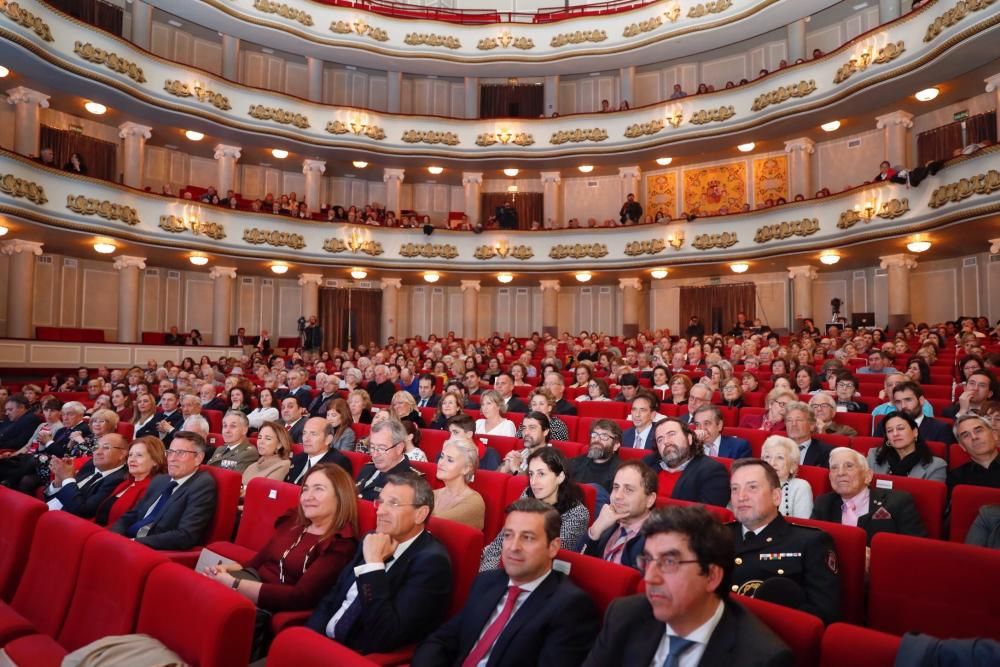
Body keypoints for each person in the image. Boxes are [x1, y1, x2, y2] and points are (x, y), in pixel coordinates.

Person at [583, 505, 793, 667]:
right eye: (647, 560)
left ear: (711, 576)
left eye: (669, 562)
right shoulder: (624, 615)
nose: (650, 578)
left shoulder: (762, 659)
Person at [413, 498, 599, 667]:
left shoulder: (570, 607)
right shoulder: (487, 582)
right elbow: (441, 641)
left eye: (527, 538)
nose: (513, 547)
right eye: (508, 535)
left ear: (553, 547)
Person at [204, 464, 359, 656]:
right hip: (249, 582)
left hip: (269, 603)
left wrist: (234, 583)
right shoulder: (294, 520)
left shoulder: (340, 543)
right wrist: (224, 570)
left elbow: (300, 596)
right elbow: (256, 562)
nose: (308, 497)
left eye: (318, 489)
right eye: (306, 489)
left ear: (340, 495)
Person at [306, 474, 452, 654]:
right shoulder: (372, 538)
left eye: (393, 504)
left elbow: (386, 634)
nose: (380, 511)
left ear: (420, 514)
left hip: (354, 655)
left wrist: (374, 565)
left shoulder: (431, 563)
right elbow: (333, 597)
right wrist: (308, 641)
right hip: (319, 645)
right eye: (380, 502)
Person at [728, 458, 840, 625]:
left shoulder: (811, 542)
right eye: (735, 489)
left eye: (752, 487)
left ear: (776, 497)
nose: (741, 497)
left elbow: (823, 616)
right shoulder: (716, 534)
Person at [481, 447, 589, 571]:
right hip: (508, 567)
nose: (533, 482)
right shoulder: (528, 494)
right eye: (531, 474)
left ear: (560, 477)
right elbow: (502, 539)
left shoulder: (577, 514)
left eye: (541, 474)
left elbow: (547, 555)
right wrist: (486, 574)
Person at [110, 431, 217, 550]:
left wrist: (134, 543)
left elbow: (185, 535)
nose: (172, 458)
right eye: (170, 452)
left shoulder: (202, 485)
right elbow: (133, 514)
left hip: (151, 550)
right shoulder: (160, 480)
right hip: (127, 541)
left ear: (198, 458)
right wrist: (115, 535)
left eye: (180, 453)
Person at [812, 447, 927, 545]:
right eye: (834, 468)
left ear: (868, 476)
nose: (840, 473)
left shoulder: (898, 501)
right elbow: (812, 543)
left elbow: (916, 547)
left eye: (849, 466)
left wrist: (877, 555)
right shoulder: (823, 503)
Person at [581, 461, 657, 570]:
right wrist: (595, 530)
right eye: (616, 487)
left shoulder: (656, 539)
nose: (617, 496)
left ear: (650, 500)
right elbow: (576, 567)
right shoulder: (606, 522)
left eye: (628, 490)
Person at [642, 419, 729, 507]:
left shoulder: (712, 471)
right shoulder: (648, 465)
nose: (666, 442)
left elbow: (705, 516)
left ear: (689, 438)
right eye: (660, 439)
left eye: (671, 434)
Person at [44, 432, 130, 519]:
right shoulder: (91, 464)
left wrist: (67, 478)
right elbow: (49, 497)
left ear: (122, 454)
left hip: (65, 520)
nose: (97, 452)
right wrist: (59, 480)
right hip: (48, 509)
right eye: (96, 447)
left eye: (106, 447)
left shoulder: (119, 479)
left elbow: (83, 512)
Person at [95, 436, 167, 527]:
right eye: (130, 455)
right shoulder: (126, 482)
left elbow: (129, 525)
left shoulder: (150, 488)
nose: (132, 459)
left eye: (139, 455)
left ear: (155, 461)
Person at [867, 412, 947, 482]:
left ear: (915, 432)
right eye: (890, 431)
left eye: (900, 428)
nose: (895, 434)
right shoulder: (873, 456)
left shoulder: (936, 466)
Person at [432, 436, 486, 530]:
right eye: (442, 456)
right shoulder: (433, 494)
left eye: (450, 460)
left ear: (466, 468)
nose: (441, 463)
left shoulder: (474, 502)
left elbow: (431, 524)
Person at [874, 382, 953, 443]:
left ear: (921, 401)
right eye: (898, 402)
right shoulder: (883, 425)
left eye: (908, 400)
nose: (903, 406)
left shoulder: (940, 429)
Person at [356, 418, 414, 501]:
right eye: (372, 447)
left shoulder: (409, 481)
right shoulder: (367, 468)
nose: (375, 454)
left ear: (399, 448)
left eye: (382, 448)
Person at [285, 417, 353, 484]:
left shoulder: (338, 464)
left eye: (313, 434)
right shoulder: (298, 458)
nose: (306, 439)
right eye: (304, 433)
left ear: (328, 439)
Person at [761, 436, 813, 518]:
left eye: (780, 458)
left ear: (792, 466)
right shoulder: (753, 484)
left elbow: (802, 526)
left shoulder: (800, 487)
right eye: (767, 457)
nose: (772, 463)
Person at [569, 419, 623, 495]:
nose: (597, 439)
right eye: (594, 435)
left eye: (604, 436)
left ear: (616, 445)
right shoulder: (575, 462)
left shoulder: (621, 473)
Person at [948, 414, 1000, 490]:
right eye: (966, 435)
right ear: (962, 446)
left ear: (994, 435)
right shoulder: (956, 477)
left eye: (978, 431)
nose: (974, 437)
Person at [241, 421, 293, 490]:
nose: (261, 442)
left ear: (279, 444)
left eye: (267, 438)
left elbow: (265, 492)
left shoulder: (284, 465)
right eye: (259, 437)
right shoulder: (252, 466)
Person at [784, 402, 833, 468]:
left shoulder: (826, 452)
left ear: (812, 425)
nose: (793, 424)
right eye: (789, 420)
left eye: (799, 420)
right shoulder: (775, 448)